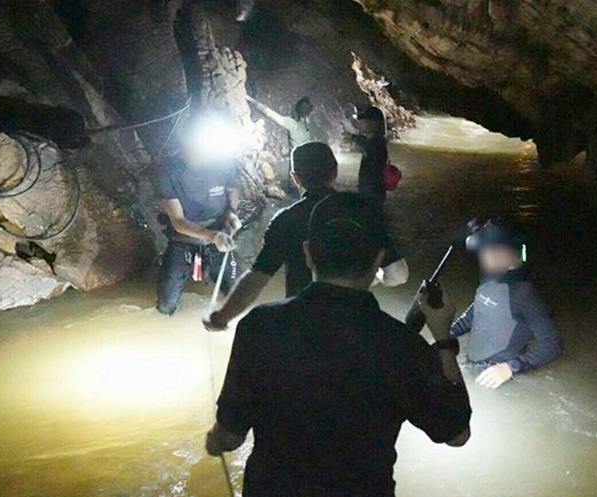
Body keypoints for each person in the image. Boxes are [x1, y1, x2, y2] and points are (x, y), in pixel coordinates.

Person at [205, 192, 472, 497]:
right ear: (379, 257)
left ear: (309, 253)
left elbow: (229, 436)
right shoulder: (400, 345)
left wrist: (214, 441)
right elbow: (456, 433)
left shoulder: (259, 327)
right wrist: (442, 337)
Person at [204, 142, 408, 330]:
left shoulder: (286, 220)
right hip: (354, 324)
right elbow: (399, 276)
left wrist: (221, 318)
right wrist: (375, 275)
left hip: (300, 323)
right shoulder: (361, 212)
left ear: (295, 178)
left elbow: (257, 278)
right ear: (335, 170)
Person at [450, 218, 562, 389]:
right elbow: (478, 310)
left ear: (508, 252)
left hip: (499, 377)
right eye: (482, 252)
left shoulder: (524, 294)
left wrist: (511, 367)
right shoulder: (490, 277)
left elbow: (552, 343)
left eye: (488, 251)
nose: (483, 257)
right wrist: (449, 333)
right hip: (473, 366)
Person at [155, 120, 242, 315]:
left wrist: (231, 213)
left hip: (220, 237)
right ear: (184, 146)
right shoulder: (167, 172)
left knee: (239, 295)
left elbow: (232, 190)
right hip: (183, 240)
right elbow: (177, 221)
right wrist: (212, 236)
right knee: (165, 305)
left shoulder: (223, 162)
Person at [247, 95, 324, 151]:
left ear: (297, 111)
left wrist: (250, 99)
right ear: (310, 113)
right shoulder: (315, 130)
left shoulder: (293, 125)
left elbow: (269, 113)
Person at [350, 106, 389, 203]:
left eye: (363, 121)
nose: (360, 124)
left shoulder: (376, 143)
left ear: (374, 123)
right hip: (373, 188)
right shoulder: (377, 140)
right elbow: (366, 143)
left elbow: (369, 146)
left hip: (372, 189)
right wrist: (353, 137)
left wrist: (353, 138)